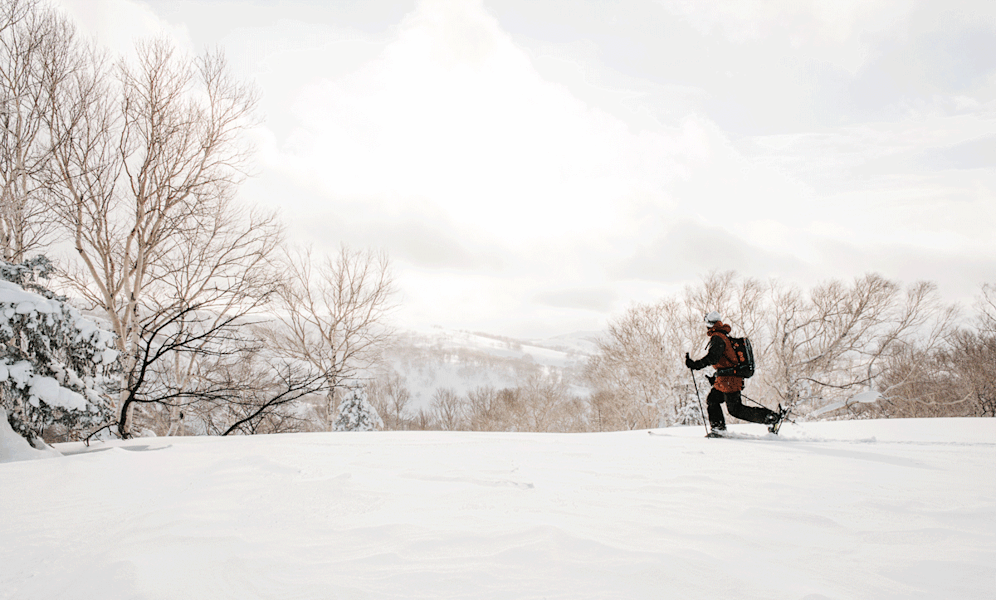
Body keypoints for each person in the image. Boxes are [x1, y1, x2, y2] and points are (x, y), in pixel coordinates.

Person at [685, 312, 784, 434]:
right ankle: (718, 428)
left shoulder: (718, 337)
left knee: (735, 410)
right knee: (713, 399)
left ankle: (771, 418)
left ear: (709, 324)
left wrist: (695, 365)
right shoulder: (723, 336)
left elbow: (713, 358)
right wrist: (717, 376)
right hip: (725, 379)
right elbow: (725, 361)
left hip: (730, 381)